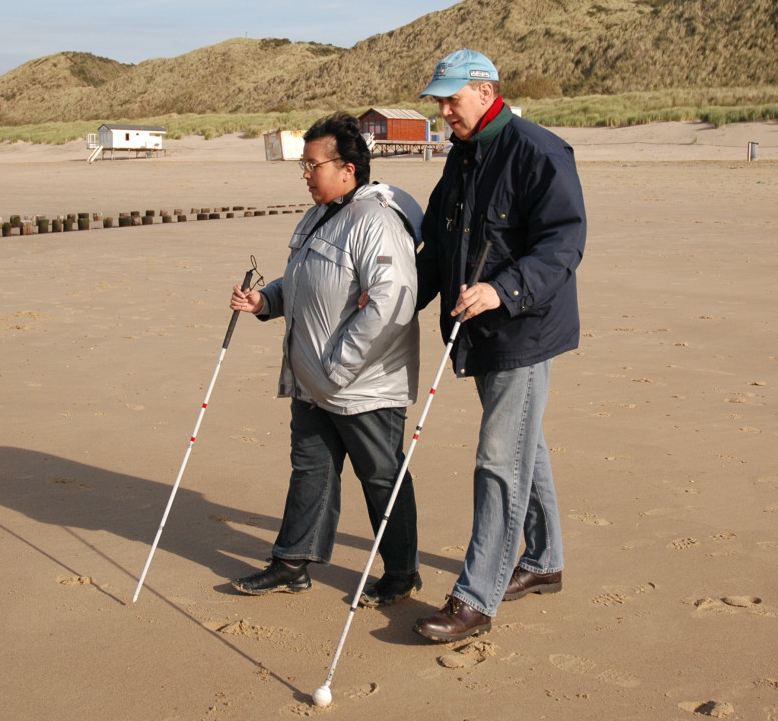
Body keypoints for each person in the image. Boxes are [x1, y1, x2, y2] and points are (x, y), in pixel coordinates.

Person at [410, 49, 587, 642]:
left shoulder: (539, 152)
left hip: (524, 328)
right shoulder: (459, 157)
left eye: (451, 99)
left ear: (485, 92)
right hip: (476, 331)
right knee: (522, 446)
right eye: (439, 101)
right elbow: (438, 245)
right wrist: (397, 302)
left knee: (497, 460)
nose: (443, 111)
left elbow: (563, 244)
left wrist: (501, 289)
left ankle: (476, 597)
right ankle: (545, 559)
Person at [229, 111, 425, 607]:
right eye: (304, 164)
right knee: (310, 469)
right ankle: (292, 563)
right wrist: (265, 301)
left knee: (381, 477)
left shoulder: (377, 221)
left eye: (312, 165)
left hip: (363, 386)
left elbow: (391, 303)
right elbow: (303, 280)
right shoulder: (320, 214)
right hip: (312, 381)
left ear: (347, 168)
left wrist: (337, 368)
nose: (305, 174)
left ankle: (401, 573)